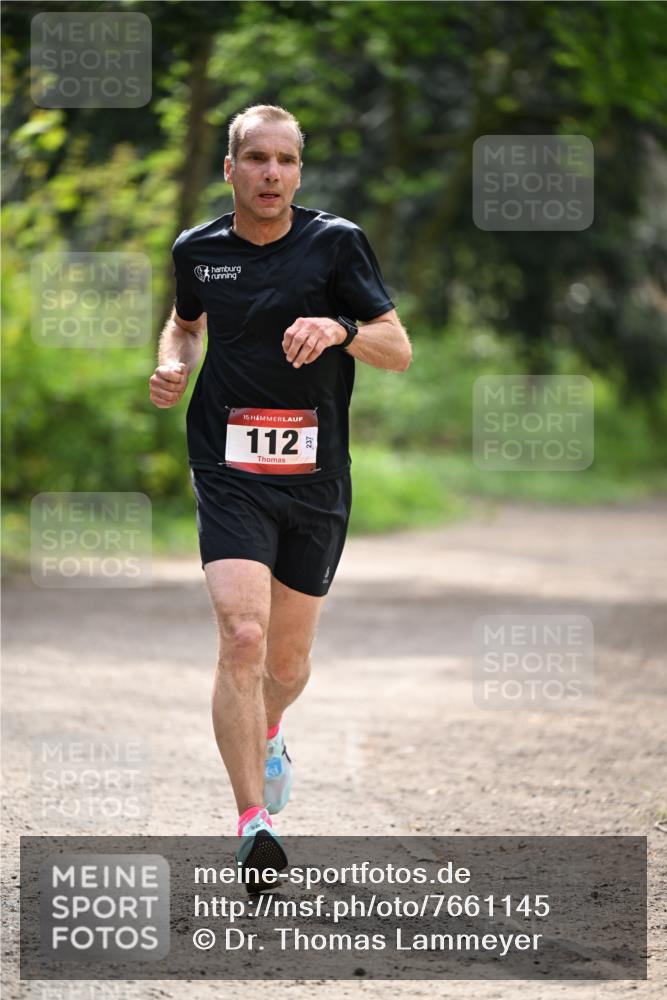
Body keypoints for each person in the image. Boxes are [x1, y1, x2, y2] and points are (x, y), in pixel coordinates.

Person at [149, 104, 411, 884]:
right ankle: (251, 822)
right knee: (243, 638)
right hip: (228, 467)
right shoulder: (198, 250)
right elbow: (183, 323)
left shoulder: (335, 244)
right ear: (229, 169)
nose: (270, 174)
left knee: (288, 663)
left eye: (285, 161)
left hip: (315, 477)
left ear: (298, 171)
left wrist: (337, 328)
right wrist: (173, 360)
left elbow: (396, 349)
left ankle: (269, 727)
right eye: (255, 159)